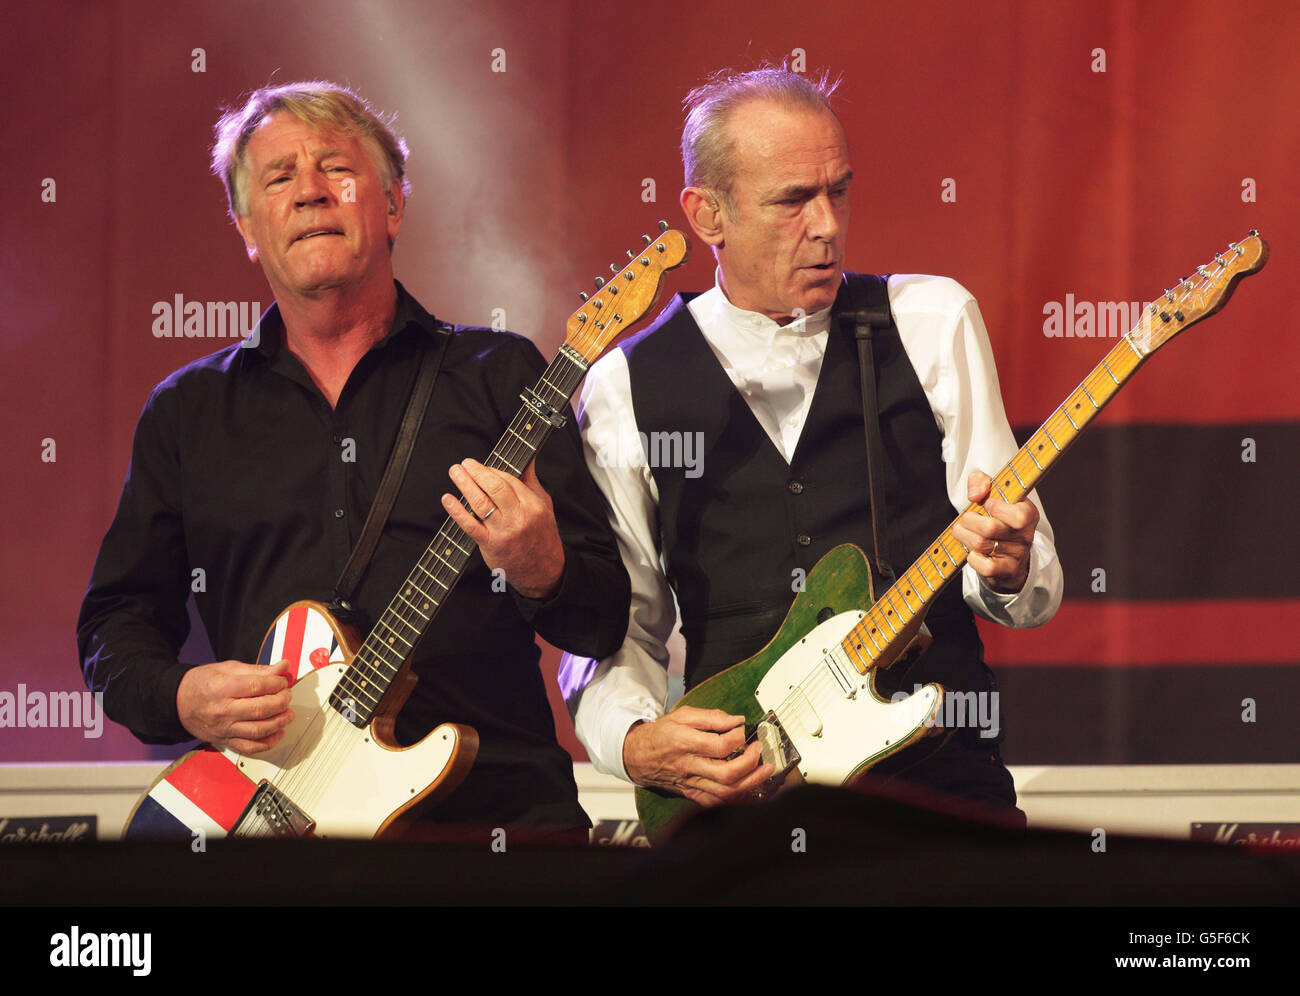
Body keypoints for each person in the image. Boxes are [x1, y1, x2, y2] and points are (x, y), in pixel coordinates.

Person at [77, 81, 630, 840]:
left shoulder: (502, 376)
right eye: (279, 178)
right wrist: (181, 696)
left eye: (337, 169)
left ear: (394, 205)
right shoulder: (187, 412)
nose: (309, 192)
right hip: (276, 835)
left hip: (494, 830)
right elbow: (115, 624)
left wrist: (544, 566)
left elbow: (603, 618)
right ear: (246, 226)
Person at [559, 66, 1062, 821]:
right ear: (707, 215)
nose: (826, 225)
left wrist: (1010, 565)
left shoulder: (931, 319)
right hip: (748, 809)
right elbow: (616, 626)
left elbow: (1029, 589)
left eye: (839, 190)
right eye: (793, 200)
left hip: (941, 792)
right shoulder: (625, 386)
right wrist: (633, 740)